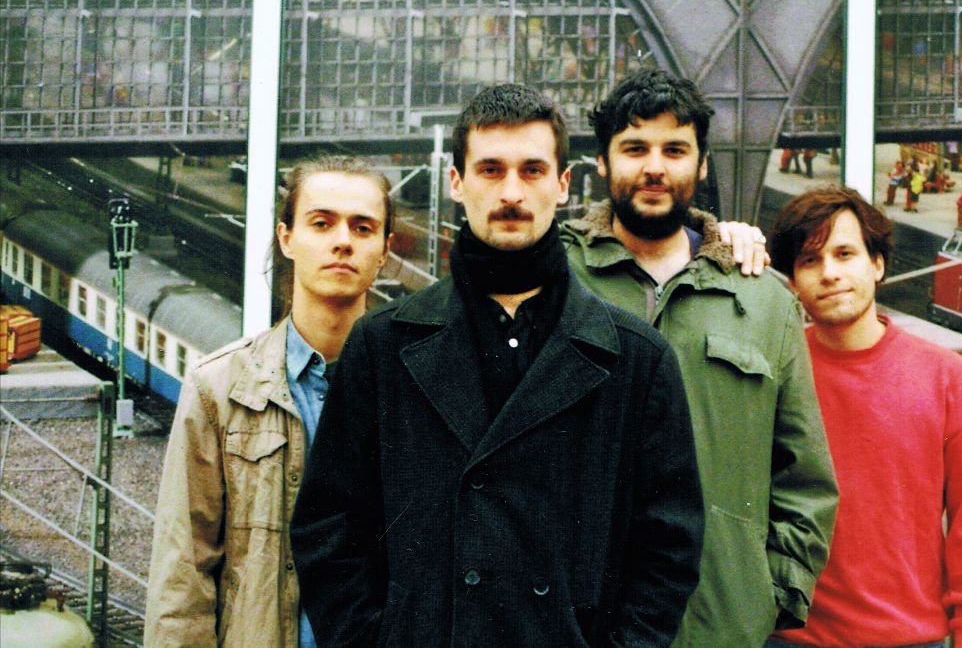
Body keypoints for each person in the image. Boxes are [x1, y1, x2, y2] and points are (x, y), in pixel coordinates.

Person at [291, 84, 705, 646]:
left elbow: (668, 549)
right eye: (490, 170)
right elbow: (329, 529)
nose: (512, 192)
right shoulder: (382, 346)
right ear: (456, 182)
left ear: (563, 184)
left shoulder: (636, 358)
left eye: (532, 171)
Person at [562, 68, 838, 647]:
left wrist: (770, 595)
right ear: (603, 163)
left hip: (721, 626)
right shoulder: (554, 282)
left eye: (675, 150)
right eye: (634, 148)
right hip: (575, 626)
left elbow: (804, 476)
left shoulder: (763, 300)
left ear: (703, 164)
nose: (654, 167)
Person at [145, 155, 394, 647]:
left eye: (362, 227)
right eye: (321, 223)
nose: (342, 241)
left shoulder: (416, 387)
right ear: (286, 238)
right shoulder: (220, 388)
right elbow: (182, 576)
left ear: (385, 250)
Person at [766, 186, 962, 648]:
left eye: (845, 254)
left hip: (913, 640)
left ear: (877, 264)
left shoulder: (952, 383)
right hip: (790, 639)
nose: (830, 272)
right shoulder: (776, 372)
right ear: (793, 280)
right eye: (810, 260)